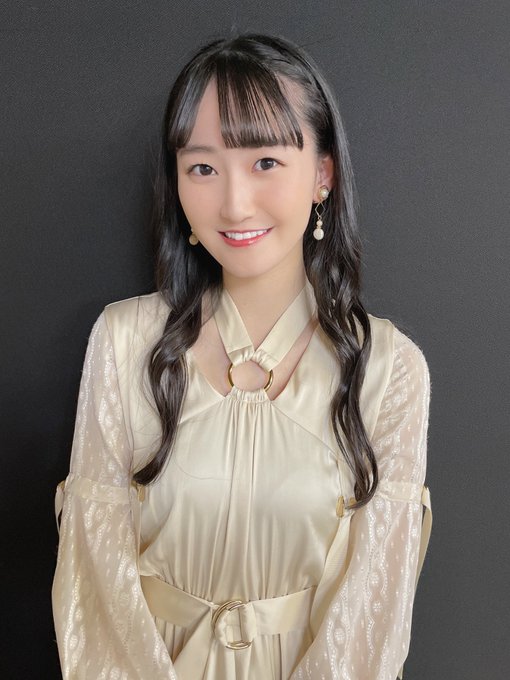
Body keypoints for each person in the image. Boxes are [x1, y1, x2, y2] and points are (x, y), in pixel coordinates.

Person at [52, 33, 432, 680]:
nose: (233, 203)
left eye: (265, 162)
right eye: (202, 168)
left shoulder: (389, 370)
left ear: (323, 174)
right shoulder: (123, 343)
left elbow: (373, 617)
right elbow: (95, 585)